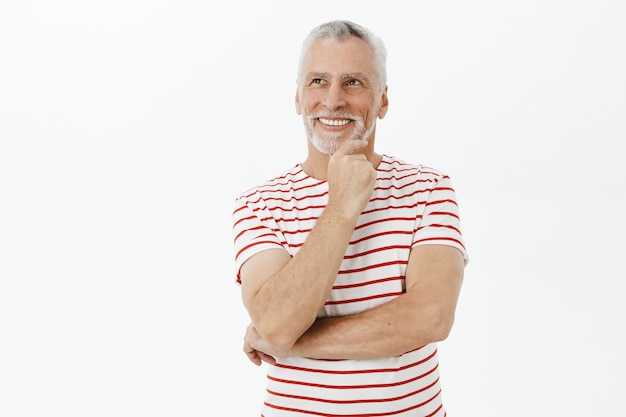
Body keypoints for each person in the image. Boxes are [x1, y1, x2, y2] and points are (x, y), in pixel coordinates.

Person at [232, 20, 468, 417]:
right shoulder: (260, 204)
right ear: (297, 97)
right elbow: (275, 322)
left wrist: (293, 342)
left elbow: (431, 316)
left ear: (382, 101)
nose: (333, 100)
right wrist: (341, 206)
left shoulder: (428, 188)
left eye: (354, 82)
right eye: (318, 81)